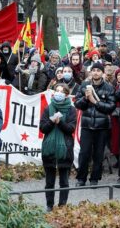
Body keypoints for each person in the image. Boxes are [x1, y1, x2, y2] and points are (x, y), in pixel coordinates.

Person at [74, 62, 116, 186]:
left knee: (98, 153)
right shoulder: (84, 85)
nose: (96, 72)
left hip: (102, 126)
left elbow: (110, 107)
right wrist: (85, 99)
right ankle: (81, 178)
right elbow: (77, 104)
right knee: (84, 152)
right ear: (91, 72)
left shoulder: (109, 88)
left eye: (98, 70)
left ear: (102, 73)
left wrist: (95, 102)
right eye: (94, 70)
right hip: (87, 124)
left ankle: (94, 179)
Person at [40, 83, 77, 211]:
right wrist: (51, 121)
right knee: (49, 182)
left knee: (64, 181)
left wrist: (60, 122)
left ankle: (62, 206)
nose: (59, 93)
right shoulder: (48, 108)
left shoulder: (72, 110)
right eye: (57, 90)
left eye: (62, 91)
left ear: (66, 95)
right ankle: (49, 205)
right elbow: (42, 128)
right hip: (49, 149)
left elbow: (71, 129)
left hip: (65, 149)